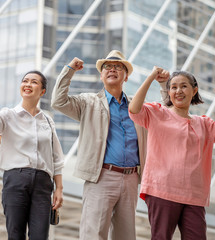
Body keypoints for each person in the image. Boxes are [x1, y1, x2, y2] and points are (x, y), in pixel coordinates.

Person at [51, 50, 166, 240]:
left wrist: (163, 84)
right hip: (100, 177)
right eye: (107, 67)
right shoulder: (88, 102)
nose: (112, 70)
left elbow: (165, 114)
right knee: (94, 234)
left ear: (126, 76)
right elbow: (58, 101)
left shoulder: (137, 107)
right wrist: (70, 70)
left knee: (126, 236)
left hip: (130, 179)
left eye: (118, 67)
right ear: (101, 74)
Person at [128, 67, 215, 239]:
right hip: (161, 190)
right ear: (169, 92)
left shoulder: (204, 124)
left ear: (194, 91)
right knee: (161, 237)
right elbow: (134, 109)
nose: (179, 91)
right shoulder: (157, 113)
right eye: (174, 87)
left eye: (184, 86)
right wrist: (151, 77)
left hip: (194, 195)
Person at [0, 70, 64, 240]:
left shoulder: (47, 120)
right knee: (15, 234)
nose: (28, 84)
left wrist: (58, 188)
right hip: (16, 179)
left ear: (42, 91)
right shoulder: (8, 115)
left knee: (40, 236)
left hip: (43, 183)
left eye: (33, 82)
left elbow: (56, 158)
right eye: (25, 81)